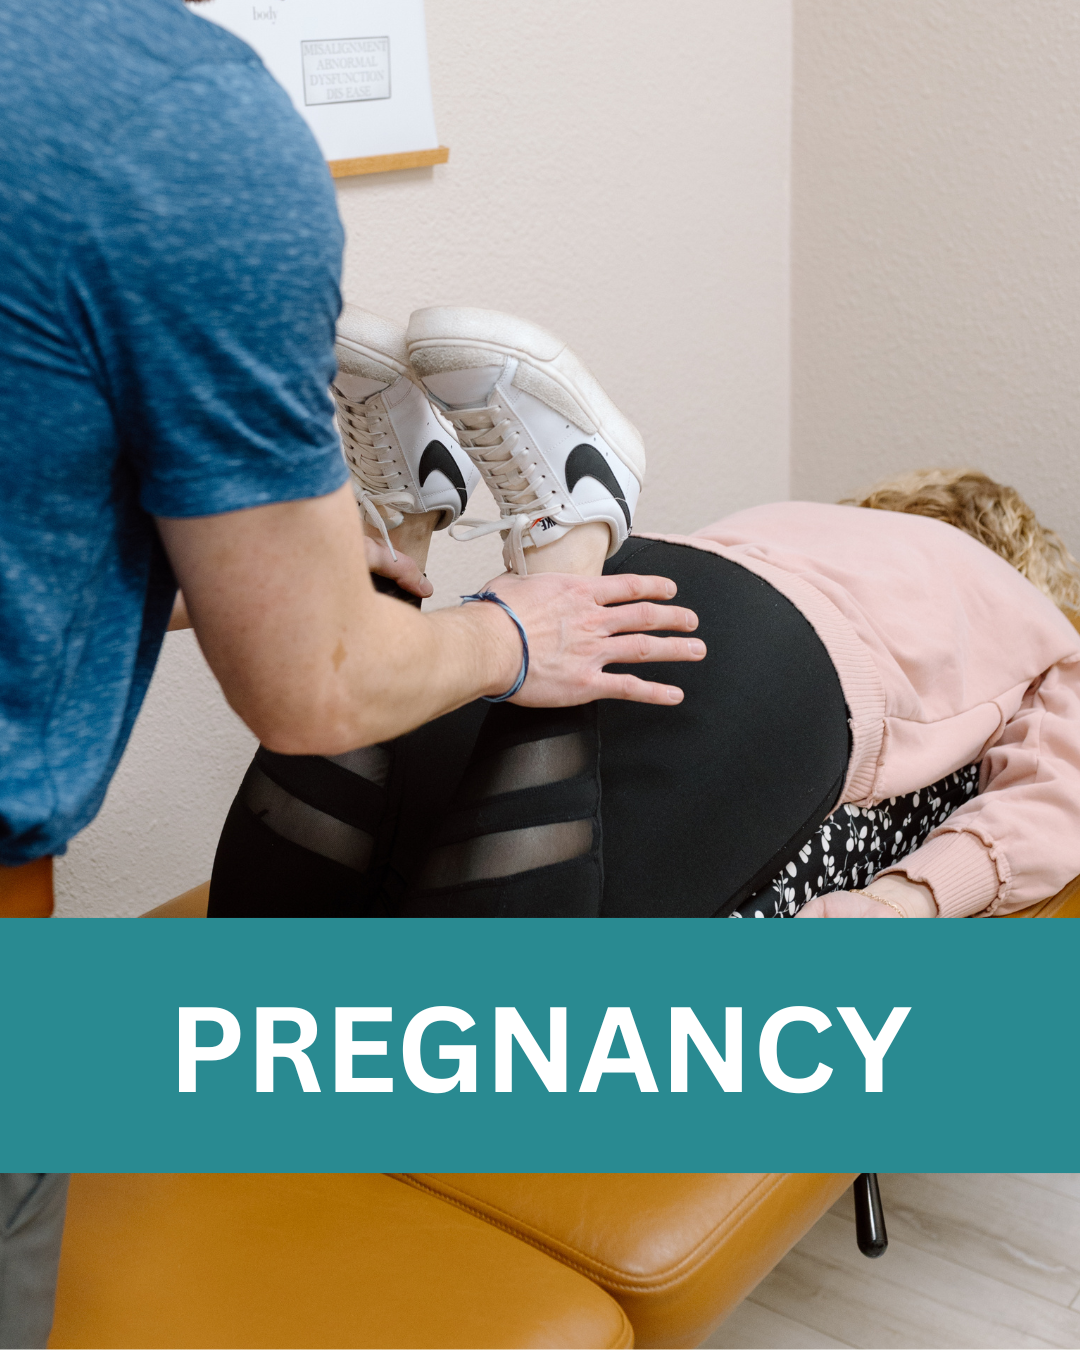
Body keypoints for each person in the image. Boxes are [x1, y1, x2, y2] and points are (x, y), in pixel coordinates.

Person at [0, 3, 704, 1341]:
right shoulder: (163, 114)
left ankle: (402, 526)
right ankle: (574, 526)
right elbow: (315, 685)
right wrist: (513, 634)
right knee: (484, 705)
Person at [208, 305, 1080, 921]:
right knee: (505, 1034)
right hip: (749, 655)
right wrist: (910, 901)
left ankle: (400, 532)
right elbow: (1063, 792)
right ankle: (566, 540)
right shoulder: (1027, 616)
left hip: (604, 605)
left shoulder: (787, 524)